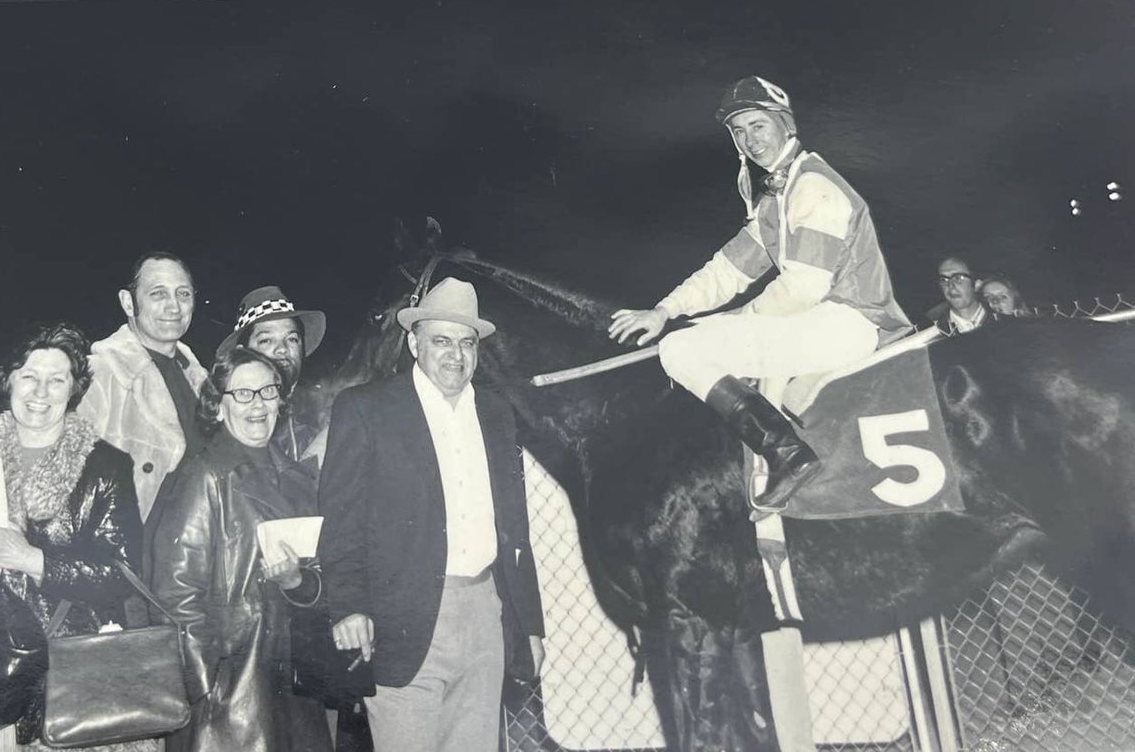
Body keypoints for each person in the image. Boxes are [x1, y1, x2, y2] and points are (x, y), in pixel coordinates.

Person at [609, 76, 913, 514]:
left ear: (784, 125)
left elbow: (803, 289)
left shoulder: (813, 186)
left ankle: (788, 454)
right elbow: (727, 271)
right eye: (739, 131)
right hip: (817, 321)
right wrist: (664, 309)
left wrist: (729, 320)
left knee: (680, 348)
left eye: (758, 126)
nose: (750, 140)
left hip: (845, 323)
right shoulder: (776, 196)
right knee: (685, 333)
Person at [318, 277, 544, 752]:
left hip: (485, 614)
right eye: (441, 341)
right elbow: (341, 519)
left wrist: (530, 625)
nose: (455, 355)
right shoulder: (366, 409)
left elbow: (514, 527)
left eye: (467, 343)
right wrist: (350, 606)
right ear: (413, 342)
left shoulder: (497, 414)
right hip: (402, 620)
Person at [0, 323, 156, 752]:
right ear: (9, 380)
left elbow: (123, 573)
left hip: (79, 675)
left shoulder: (105, 465)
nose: (41, 392)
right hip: (0, 675)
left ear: (74, 389)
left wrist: (33, 560)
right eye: (30, 376)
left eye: (57, 380)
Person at [147, 346, 331, 752]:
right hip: (232, 695)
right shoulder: (205, 476)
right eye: (243, 394)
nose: (258, 404)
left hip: (291, 686)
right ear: (218, 407)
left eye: (268, 392)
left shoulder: (298, 478)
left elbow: (319, 581)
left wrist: (296, 581)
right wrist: (207, 691)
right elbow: (174, 597)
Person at [82, 252, 209, 519]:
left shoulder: (200, 378)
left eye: (183, 294)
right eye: (158, 294)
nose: (174, 307)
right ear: (128, 303)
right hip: (134, 547)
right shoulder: (100, 374)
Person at [219, 286, 327, 466]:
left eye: (292, 339)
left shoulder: (323, 410)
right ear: (242, 353)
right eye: (266, 340)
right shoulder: (228, 416)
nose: (282, 349)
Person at [926, 257, 990, 334]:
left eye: (958, 278)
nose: (950, 285)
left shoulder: (999, 318)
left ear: (977, 285)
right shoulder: (932, 331)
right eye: (944, 280)